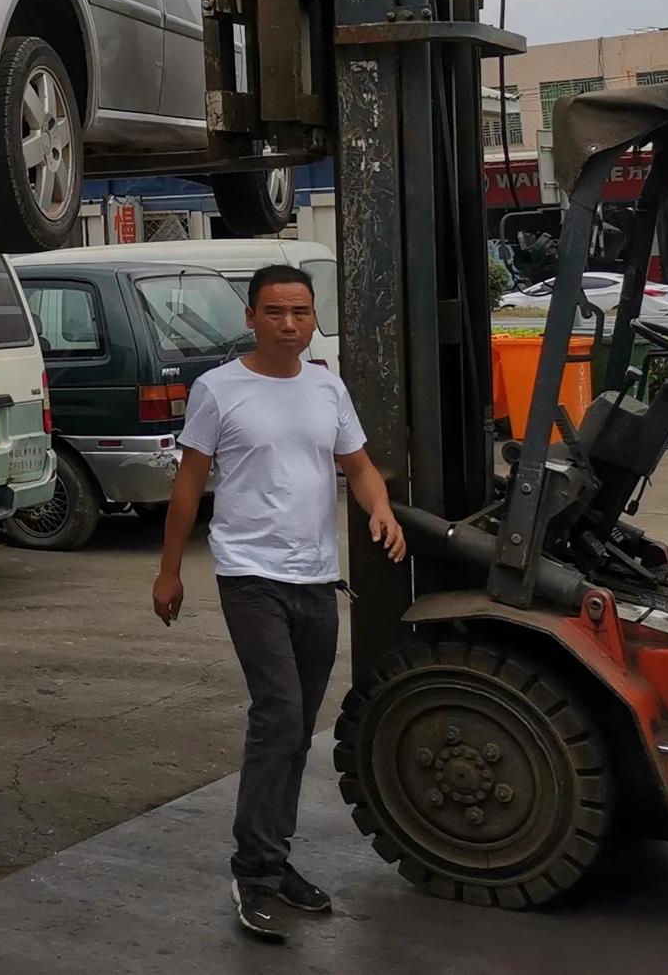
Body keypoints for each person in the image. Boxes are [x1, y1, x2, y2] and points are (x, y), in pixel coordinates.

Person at [152, 263, 405, 943]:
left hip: (316, 579)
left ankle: (274, 855)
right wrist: (169, 571)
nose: (288, 323)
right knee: (280, 714)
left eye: (300, 311)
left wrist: (381, 509)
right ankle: (255, 872)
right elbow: (188, 485)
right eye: (274, 311)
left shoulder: (327, 386)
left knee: (296, 728)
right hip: (250, 575)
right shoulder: (219, 389)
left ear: (313, 315)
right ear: (251, 316)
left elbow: (357, 465)